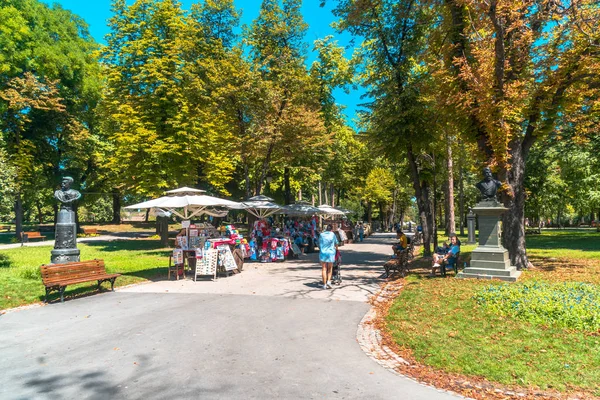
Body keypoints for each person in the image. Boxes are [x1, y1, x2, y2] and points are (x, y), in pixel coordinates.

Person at [319, 224, 339, 289]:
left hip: (323, 253)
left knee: (324, 269)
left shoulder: (321, 235)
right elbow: (336, 243)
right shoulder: (332, 234)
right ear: (331, 229)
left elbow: (319, 243)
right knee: (330, 268)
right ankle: (329, 281)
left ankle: (324, 284)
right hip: (331, 253)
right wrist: (337, 249)